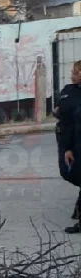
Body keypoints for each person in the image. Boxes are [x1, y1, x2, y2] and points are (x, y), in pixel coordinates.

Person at [55, 60, 81, 233]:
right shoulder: (69, 90)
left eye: (74, 72)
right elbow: (60, 111)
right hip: (69, 140)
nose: (71, 75)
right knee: (68, 172)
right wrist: (67, 147)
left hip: (76, 140)